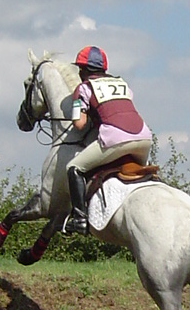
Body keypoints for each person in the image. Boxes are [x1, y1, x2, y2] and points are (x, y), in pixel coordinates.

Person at [63, 46, 152, 235]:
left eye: (80, 68)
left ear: (84, 70)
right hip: (144, 138)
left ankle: (79, 219)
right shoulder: (123, 84)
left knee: (74, 168)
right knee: (143, 179)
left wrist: (76, 109)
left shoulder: (84, 88)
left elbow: (79, 125)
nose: (79, 72)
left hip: (116, 139)